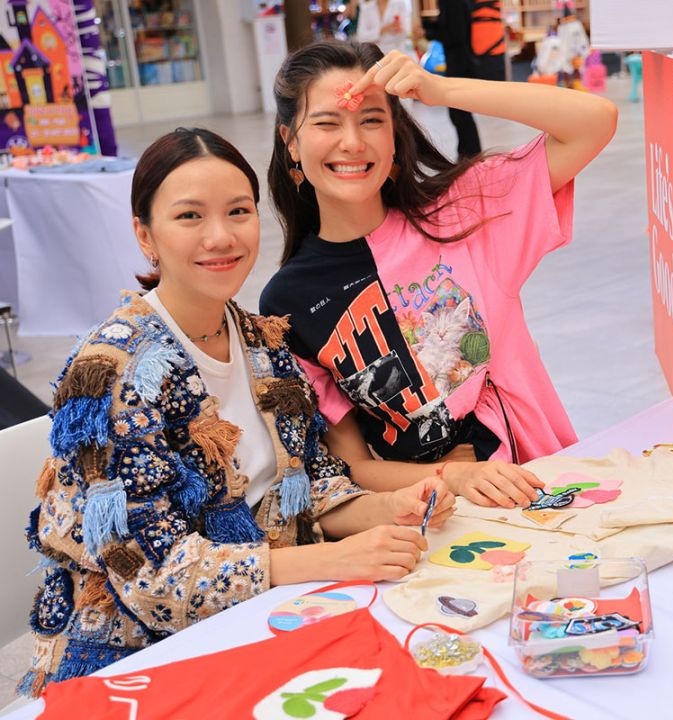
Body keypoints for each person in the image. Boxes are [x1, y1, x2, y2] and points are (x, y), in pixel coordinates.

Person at [17, 128, 454, 698]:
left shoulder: (260, 338)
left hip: (263, 617)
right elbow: (154, 575)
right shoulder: (113, 371)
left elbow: (303, 482)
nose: (221, 237)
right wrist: (330, 559)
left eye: (238, 211)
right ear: (144, 235)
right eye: (190, 217)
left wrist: (384, 509)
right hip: (141, 659)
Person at [259, 40, 617, 509]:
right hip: (437, 520)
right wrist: (454, 474)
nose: (352, 142)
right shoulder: (287, 300)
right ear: (291, 142)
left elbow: (595, 121)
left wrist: (438, 87)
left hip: (546, 487)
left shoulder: (464, 216)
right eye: (328, 123)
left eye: (372, 120)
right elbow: (353, 465)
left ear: (394, 138)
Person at [424, 0, 482, 158]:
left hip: (460, 64)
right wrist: (427, 26)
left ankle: (470, 154)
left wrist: (428, 33)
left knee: (460, 113)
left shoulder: (452, 3)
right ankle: (467, 152)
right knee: (459, 113)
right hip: (458, 62)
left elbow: (455, 35)